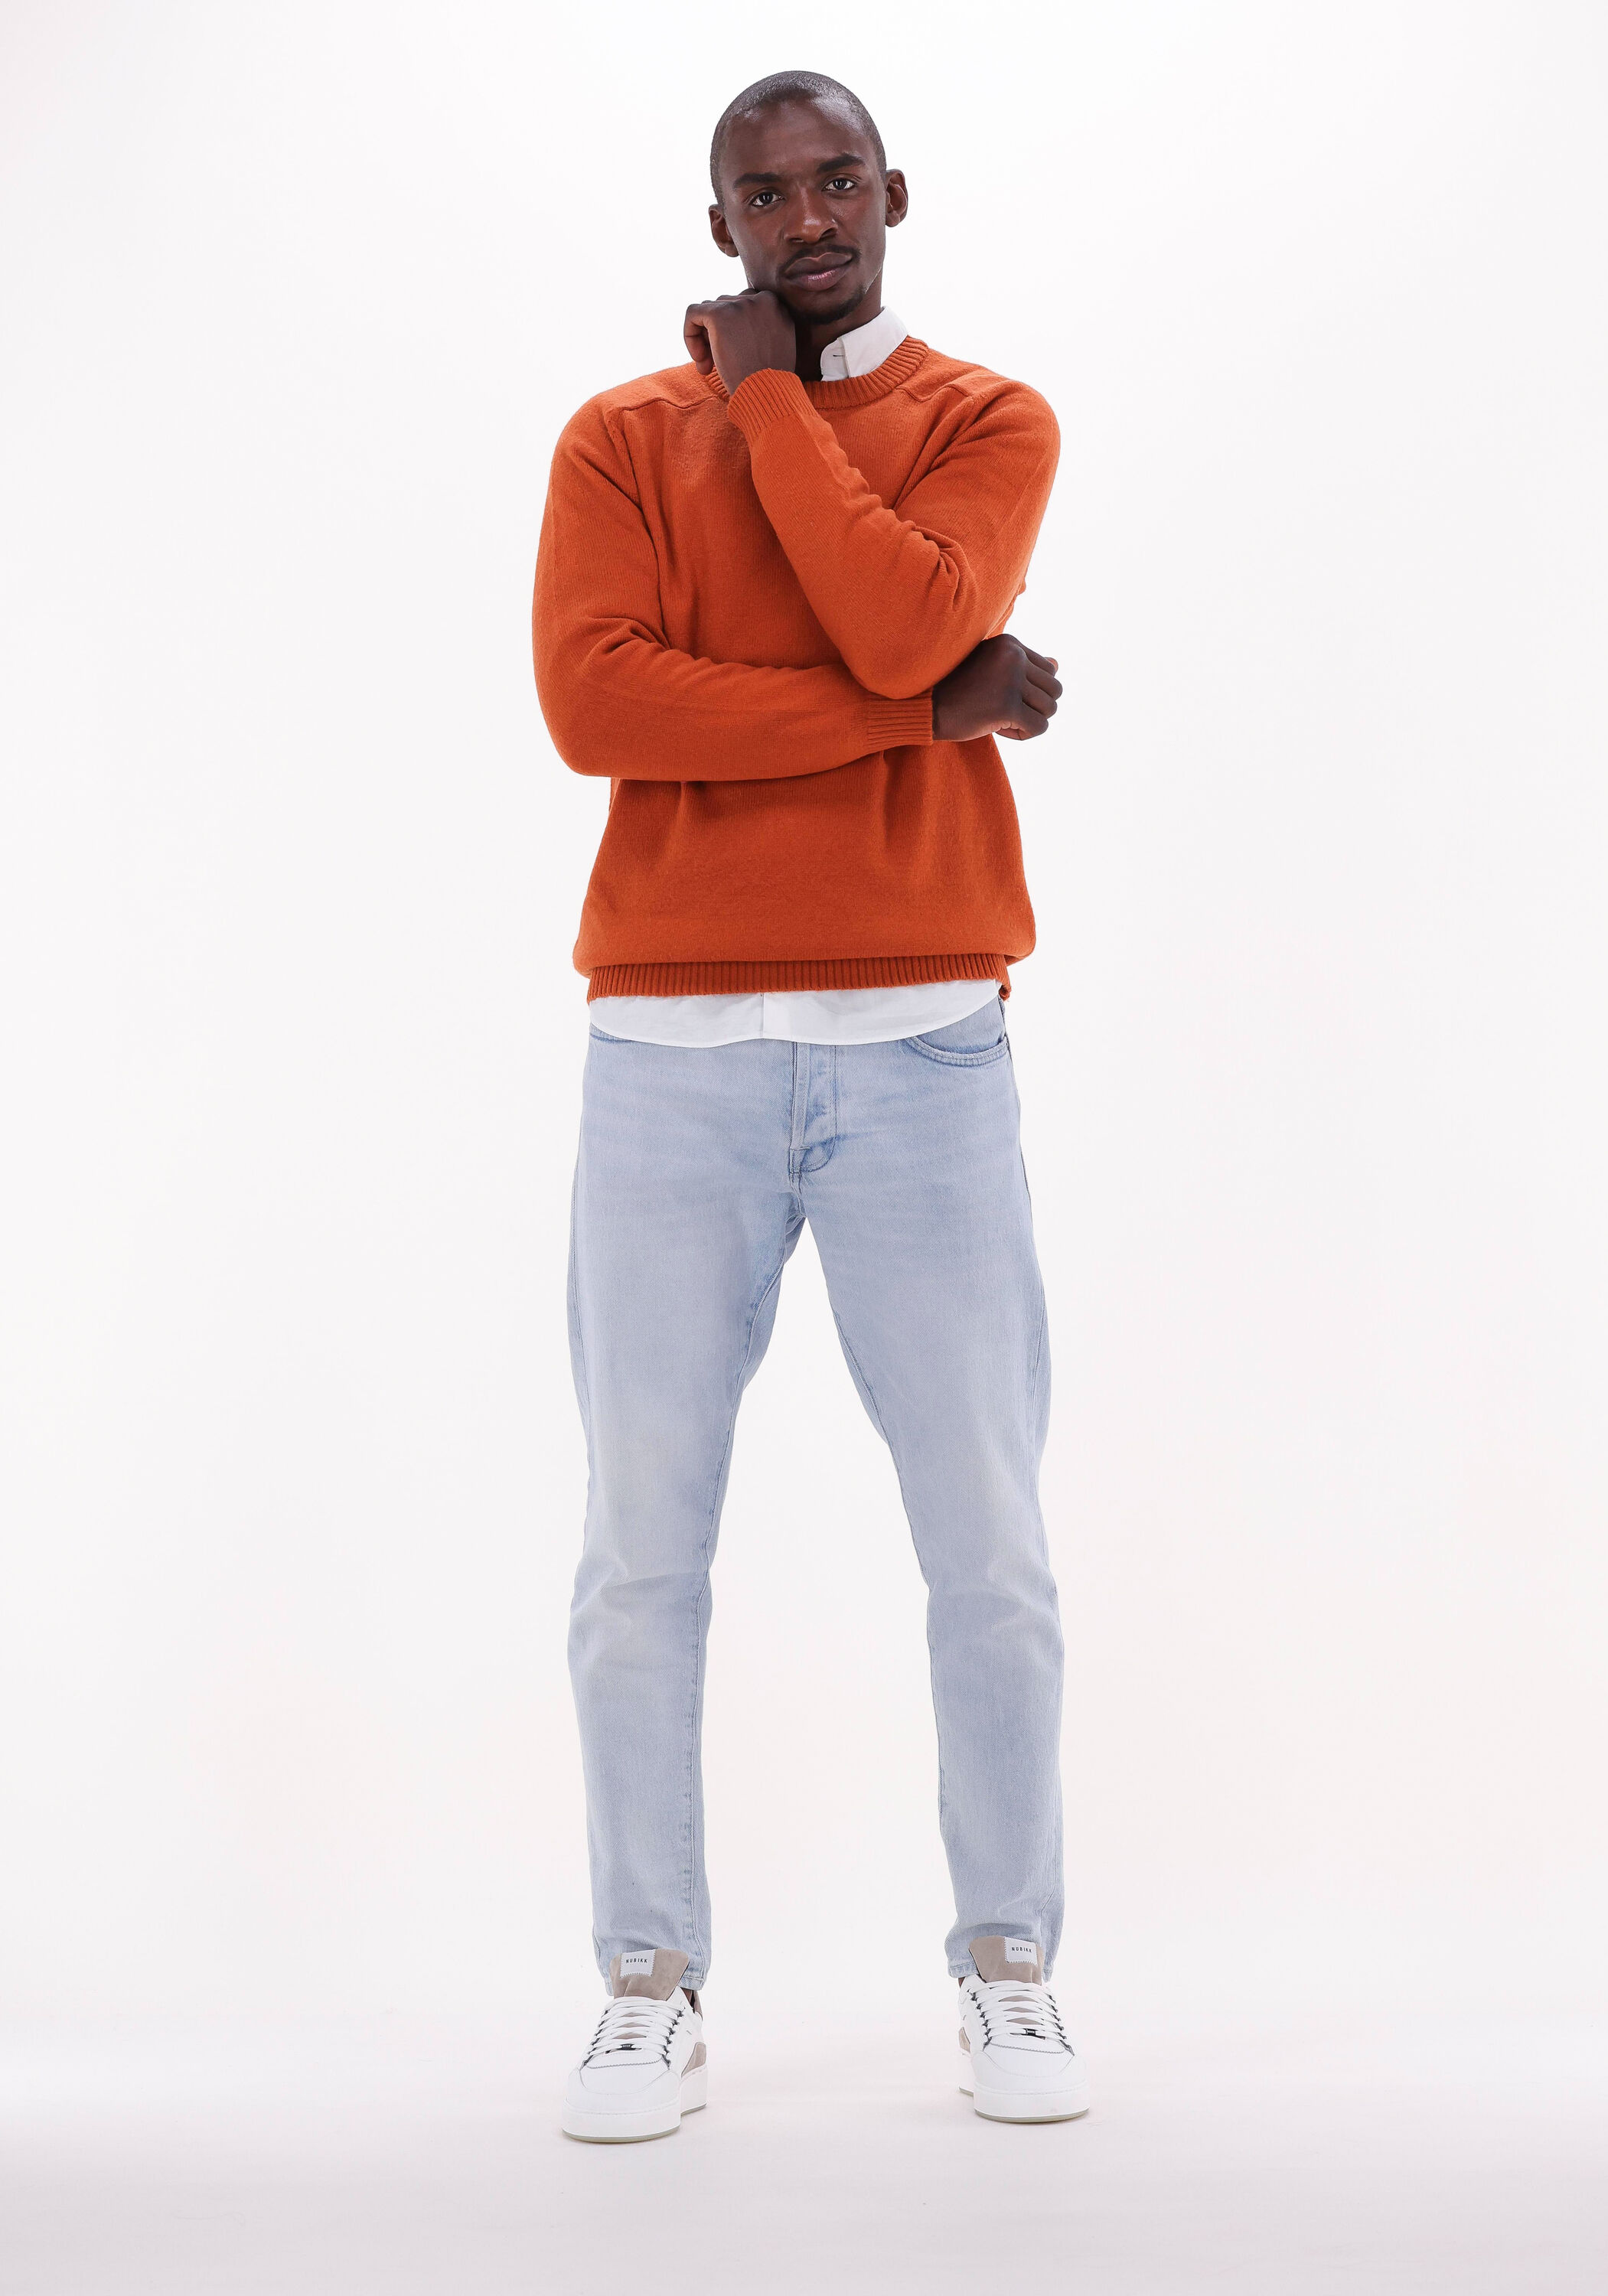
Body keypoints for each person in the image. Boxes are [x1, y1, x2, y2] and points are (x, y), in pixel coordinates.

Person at [533, 69, 1087, 2141]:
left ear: (893, 192)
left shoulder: (986, 422)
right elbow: (597, 703)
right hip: (666, 1066)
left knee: (989, 1544)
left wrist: (771, 403)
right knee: (638, 1555)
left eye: (835, 178)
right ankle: (646, 1980)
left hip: (924, 1050)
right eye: (763, 194)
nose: (806, 215)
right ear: (722, 229)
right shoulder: (617, 439)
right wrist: (921, 717)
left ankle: (1010, 1966)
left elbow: (903, 606)